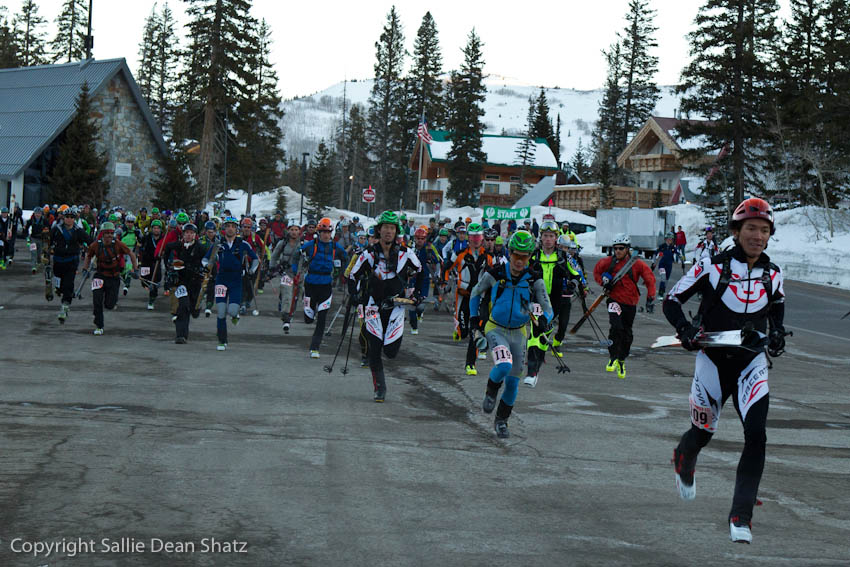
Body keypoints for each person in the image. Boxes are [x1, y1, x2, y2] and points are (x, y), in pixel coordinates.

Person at [663, 198, 786, 544]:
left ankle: (741, 514)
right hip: (713, 361)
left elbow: (777, 306)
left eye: (764, 231)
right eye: (751, 229)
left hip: (751, 363)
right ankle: (683, 457)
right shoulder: (712, 267)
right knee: (703, 433)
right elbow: (671, 300)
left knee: (757, 435)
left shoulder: (772, 273)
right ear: (736, 231)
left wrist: (776, 334)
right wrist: (685, 330)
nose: (757, 236)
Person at [469, 231, 553, 438]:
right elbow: (475, 292)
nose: (520, 260)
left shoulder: (534, 279)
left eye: (525, 256)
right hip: (495, 328)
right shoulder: (496, 272)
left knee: (514, 381)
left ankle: (502, 421)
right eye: (516, 255)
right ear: (509, 252)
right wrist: (473, 319)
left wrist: (544, 320)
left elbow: (548, 308)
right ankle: (491, 390)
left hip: (518, 333)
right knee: (504, 365)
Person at [349, 211, 422, 402]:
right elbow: (352, 275)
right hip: (373, 306)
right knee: (374, 348)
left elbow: (420, 271)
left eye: (392, 228)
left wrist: (417, 293)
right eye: (385, 228)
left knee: (390, 352)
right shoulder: (368, 254)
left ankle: (391, 343)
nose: (388, 232)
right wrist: (354, 294)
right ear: (378, 230)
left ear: (396, 232)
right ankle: (379, 388)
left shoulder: (407, 253)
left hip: (396, 306)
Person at [524, 220, 587, 387]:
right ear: (541, 237)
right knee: (534, 334)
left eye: (551, 236)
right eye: (545, 236)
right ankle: (531, 372)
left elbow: (577, 274)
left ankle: (536, 365)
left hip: (555, 302)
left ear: (556, 238)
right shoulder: (534, 255)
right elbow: (521, 271)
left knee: (545, 333)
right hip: (537, 300)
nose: (548, 239)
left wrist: (574, 282)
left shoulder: (563, 257)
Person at [592, 233, 655, 379]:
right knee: (616, 327)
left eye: (621, 248)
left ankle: (621, 359)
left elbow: (649, 278)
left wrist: (651, 296)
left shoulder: (637, 264)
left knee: (627, 333)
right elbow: (596, 271)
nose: (618, 251)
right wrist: (603, 281)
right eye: (615, 248)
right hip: (614, 301)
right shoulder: (609, 262)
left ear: (627, 249)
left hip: (631, 303)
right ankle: (613, 357)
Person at [202, 216, 259, 351]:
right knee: (221, 312)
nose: (230, 229)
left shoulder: (243, 244)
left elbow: (256, 259)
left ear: (236, 229)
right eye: (228, 226)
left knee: (232, 310)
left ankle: (235, 315)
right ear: (224, 228)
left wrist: (251, 270)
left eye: (233, 226)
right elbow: (205, 259)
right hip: (221, 279)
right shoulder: (218, 244)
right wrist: (207, 265)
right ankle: (222, 340)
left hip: (236, 280)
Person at [293, 218, 347, 358]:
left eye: (328, 232)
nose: (326, 235)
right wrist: (295, 270)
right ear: (319, 232)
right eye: (323, 232)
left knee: (322, 318)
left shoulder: (336, 247)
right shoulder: (311, 245)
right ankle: (308, 313)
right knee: (309, 319)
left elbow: (346, 258)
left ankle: (315, 347)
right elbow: (296, 254)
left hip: (326, 285)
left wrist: (345, 274)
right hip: (310, 284)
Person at [444, 223, 493, 375]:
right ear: (468, 238)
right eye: (473, 237)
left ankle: (470, 364)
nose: (476, 240)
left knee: (476, 329)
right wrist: (445, 281)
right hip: (463, 295)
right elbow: (446, 267)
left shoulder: (488, 257)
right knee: (463, 332)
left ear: (482, 238)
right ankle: (457, 325)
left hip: (479, 297)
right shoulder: (459, 253)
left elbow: (495, 277)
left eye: (478, 237)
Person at [81, 222, 139, 335]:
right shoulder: (95, 245)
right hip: (99, 275)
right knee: (97, 300)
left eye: (111, 233)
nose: (109, 235)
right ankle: (99, 325)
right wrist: (85, 269)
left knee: (110, 304)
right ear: (102, 234)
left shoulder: (118, 244)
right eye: (106, 233)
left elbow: (131, 254)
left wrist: (135, 269)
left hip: (114, 276)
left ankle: (108, 306)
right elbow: (88, 256)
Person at [163, 223, 205, 343]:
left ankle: (196, 309)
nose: (189, 235)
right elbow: (167, 248)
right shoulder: (178, 245)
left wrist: (204, 270)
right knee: (183, 306)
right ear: (183, 234)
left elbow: (209, 261)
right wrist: (168, 265)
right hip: (182, 282)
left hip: (196, 282)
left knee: (193, 309)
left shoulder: (200, 248)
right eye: (186, 233)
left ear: (195, 235)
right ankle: (181, 335)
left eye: (191, 233)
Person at [49, 207, 93, 321]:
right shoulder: (56, 229)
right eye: (67, 217)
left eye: (71, 217)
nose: (69, 219)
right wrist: (45, 254)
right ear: (63, 217)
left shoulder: (78, 231)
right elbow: (47, 241)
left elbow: (90, 242)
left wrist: (96, 251)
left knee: (68, 284)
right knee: (59, 285)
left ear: (74, 219)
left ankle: (65, 306)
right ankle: (59, 290)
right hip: (58, 261)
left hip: (71, 261)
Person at [269, 224, 303, 333]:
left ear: (299, 232)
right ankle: (286, 318)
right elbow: (274, 256)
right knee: (287, 294)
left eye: (296, 230)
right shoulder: (282, 243)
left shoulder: (304, 244)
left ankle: (290, 312)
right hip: (286, 273)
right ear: (288, 231)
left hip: (299, 275)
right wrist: (271, 267)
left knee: (296, 296)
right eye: (292, 230)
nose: (294, 232)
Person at [408, 227, 441, 335]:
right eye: (418, 238)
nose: (420, 240)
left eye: (422, 238)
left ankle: (419, 313)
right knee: (412, 303)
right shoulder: (410, 248)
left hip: (425, 280)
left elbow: (437, 262)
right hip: (412, 279)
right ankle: (414, 326)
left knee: (421, 304)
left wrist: (437, 273)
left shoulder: (429, 249)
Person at [239, 217, 266, 315]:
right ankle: (242, 303)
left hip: (253, 263)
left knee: (250, 283)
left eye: (248, 227)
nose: (246, 229)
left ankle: (248, 300)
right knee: (242, 283)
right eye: (244, 227)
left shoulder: (255, 237)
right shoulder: (238, 237)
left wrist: (264, 258)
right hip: (241, 263)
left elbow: (264, 248)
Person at [139, 220, 164, 310]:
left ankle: (151, 300)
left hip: (156, 262)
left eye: (158, 228)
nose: (156, 230)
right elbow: (141, 246)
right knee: (144, 280)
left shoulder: (163, 238)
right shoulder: (147, 237)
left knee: (155, 280)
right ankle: (149, 288)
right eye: (154, 228)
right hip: (146, 262)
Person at [651, 232, 678, 306]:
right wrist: (654, 261)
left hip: (669, 266)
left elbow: (678, 253)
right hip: (662, 265)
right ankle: (660, 294)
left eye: (671, 239)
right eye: (668, 239)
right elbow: (655, 254)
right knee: (663, 277)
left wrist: (681, 257)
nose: (669, 240)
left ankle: (662, 293)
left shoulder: (673, 247)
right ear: (665, 239)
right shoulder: (662, 246)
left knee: (666, 281)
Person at [25, 207, 49, 273]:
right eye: (36, 213)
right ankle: (33, 266)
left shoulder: (44, 220)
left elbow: (48, 228)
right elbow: (26, 227)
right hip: (33, 238)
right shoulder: (31, 220)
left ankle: (38, 262)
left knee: (39, 253)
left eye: (39, 213)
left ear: (41, 214)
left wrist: (46, 232)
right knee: (33, 252)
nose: (37, 215)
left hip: (41, 239)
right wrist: (26, 235)